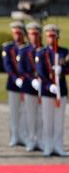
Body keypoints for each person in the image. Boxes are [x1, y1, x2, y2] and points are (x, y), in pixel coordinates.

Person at [36, 24, 68, 156]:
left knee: (59, 120)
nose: (51, 39)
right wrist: (50, 85)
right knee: (47, 120)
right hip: (47, 91)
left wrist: (63, 70)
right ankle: (48, 146)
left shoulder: (64, 52)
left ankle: (58, 145)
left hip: (61, 91)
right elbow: (41, 72)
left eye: (54, 36)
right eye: (49, 36)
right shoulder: (41, 53)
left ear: (58, 37)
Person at [18, 22, 43, 151]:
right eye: (31, 34)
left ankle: (41, 139)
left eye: (36, 34)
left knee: (41, 115)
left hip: (44, 87)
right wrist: (32, 79)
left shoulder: (43, 50)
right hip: (29, 86)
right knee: (30, 115)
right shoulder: (24, 51)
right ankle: (31, 139)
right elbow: (21, 69)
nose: (33, 37)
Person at [2, 21, 27, 147]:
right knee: (14, 111)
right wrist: (15, 77)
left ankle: (23, 135)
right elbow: (7, 65)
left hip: (27, 84)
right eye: (14, 33)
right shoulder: (8, 47)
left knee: (24, 111)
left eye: (18, 32)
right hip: (13, 83)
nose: (16, 35)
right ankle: (14, 136)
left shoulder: (27, 47)